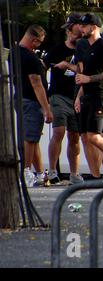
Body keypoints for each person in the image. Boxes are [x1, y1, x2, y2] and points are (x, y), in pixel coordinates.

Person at [74, 13, 103, 180]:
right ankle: (95, 175)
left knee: (94, 135)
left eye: (85, 26)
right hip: (87, 94)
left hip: (100, 94)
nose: (81, 28)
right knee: (84, 136)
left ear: (94, 26)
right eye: (81, 26)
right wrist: (78, 96)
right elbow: (84, 75)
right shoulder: (86, 46)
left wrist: (89, 79)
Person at [44, 12, 84, 185]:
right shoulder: (57, 50)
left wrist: (69, 66)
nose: (70, 31)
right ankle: (52, 171)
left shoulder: (85, 50)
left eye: (72, 28)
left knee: (75, 136)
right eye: (68, 29)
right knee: (59, 131)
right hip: (58, 95)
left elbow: (87, 72)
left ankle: (74, 173)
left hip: (76, 97)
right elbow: (41, 67)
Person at [14, 25, 53, 187]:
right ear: (34, 40)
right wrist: (46, 108)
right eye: (39, 43)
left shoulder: (15, 53)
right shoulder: (30, 58)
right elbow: (36, 83)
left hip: (21, 98)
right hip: (32, 100)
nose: (39, 46)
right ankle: (26, 171)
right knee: (30, 138)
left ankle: (39, 172)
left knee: (34, 137)